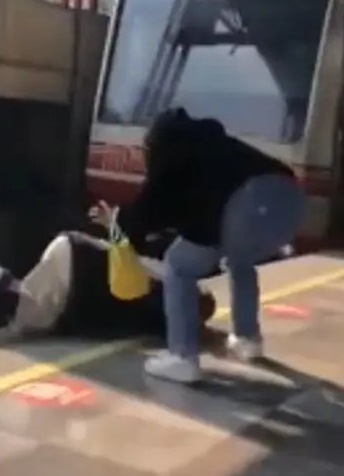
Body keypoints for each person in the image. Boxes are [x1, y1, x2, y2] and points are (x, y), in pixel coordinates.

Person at [91, 107, 304, 384]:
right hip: (289, 202)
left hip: (244, 205)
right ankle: (248, 339)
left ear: (155, 143)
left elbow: (147, 209)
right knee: (239, 260)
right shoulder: (213, 144)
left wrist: (115, 221)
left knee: (178, 265)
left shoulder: (171, 156)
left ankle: (183, 357)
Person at [0, 230, 218, 339]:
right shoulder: (167, 302)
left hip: (77, 260)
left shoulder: (168, 281)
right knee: (35, 311)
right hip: (79, 271)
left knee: (37, 308)